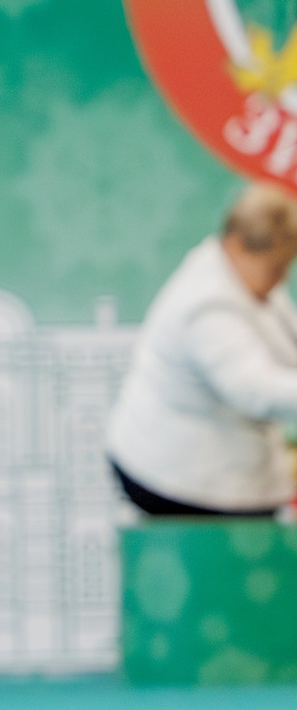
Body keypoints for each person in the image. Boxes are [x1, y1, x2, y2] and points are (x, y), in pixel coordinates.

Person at [107, 181, 297, 516]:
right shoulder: (205, 303)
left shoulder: (246, 277)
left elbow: (288, 348)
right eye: (275, 268)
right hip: (174, 479)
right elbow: (256, 390)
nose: (281, 280)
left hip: (228, 471)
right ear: (238, 245)